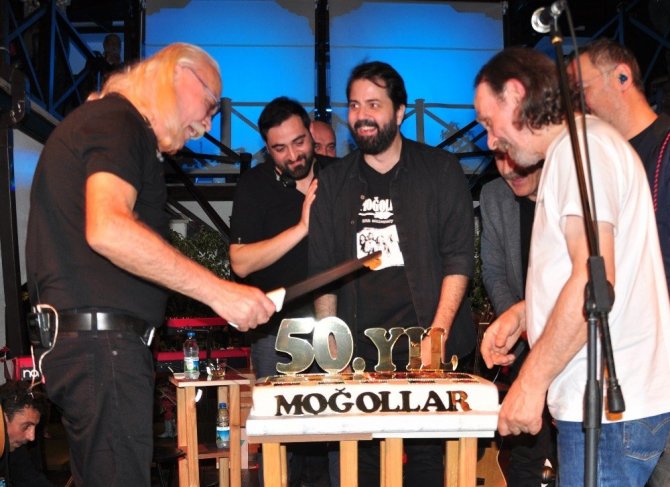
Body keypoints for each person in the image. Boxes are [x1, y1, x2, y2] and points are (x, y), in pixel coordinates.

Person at [26, 43, 275, 487]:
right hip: (104, 348)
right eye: (210, 103)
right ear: (178, 73)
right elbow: (109, 229)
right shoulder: (119, 120)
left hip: (91, 348)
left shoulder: (102, 122)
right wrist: (220, 292)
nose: (208, 123)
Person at [476, 47, 670, 486]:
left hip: (607, 412)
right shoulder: (584, 146)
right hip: (613, 408)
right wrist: (526, 312)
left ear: (516, 95)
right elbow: (596, 270)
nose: (489, 141)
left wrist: (529, 383)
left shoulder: (578, 150)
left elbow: (593, 283)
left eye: (489, 122)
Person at [309, 61, 475, 486]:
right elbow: (324, 271)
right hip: (359, 356)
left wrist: (436, 339)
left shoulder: (440, 170)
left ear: (400, 112)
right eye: (354, 105)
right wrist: (331, 341)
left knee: (426, 467)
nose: (361, 115)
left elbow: (458, 258)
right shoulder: (333, 182)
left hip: (428, 351)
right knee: (360, 467)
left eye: (374, 104)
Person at [229, 96, 334, 486]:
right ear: (266, 148)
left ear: (311, 132)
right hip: (275, 335)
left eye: (299, 142)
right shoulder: (254, 185)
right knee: (278, 442)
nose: (293, 155)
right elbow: (240, 262)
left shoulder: (339, 175)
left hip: (337, 329)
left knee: (340, 436)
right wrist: (301, 228)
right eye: (279, 148)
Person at [568, 39, 670, 294]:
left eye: (581, 90)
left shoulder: (665, 149)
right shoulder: (601, 159)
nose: (577, 106)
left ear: (622, 77)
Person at [479, 153, 556, 485]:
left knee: (574, 449)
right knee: (526, 450)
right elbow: (493, 271)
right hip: (525, 341)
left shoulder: (569, 189)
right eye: (499, 156)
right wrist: (519, 322)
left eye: (516, 156)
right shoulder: (494, 195)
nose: (508, 168)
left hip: (575, 336)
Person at [0, 381, 52, 486]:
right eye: (26, 426)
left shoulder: (14, 447)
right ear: (2, 419)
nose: (31, 437)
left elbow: (33, 481)